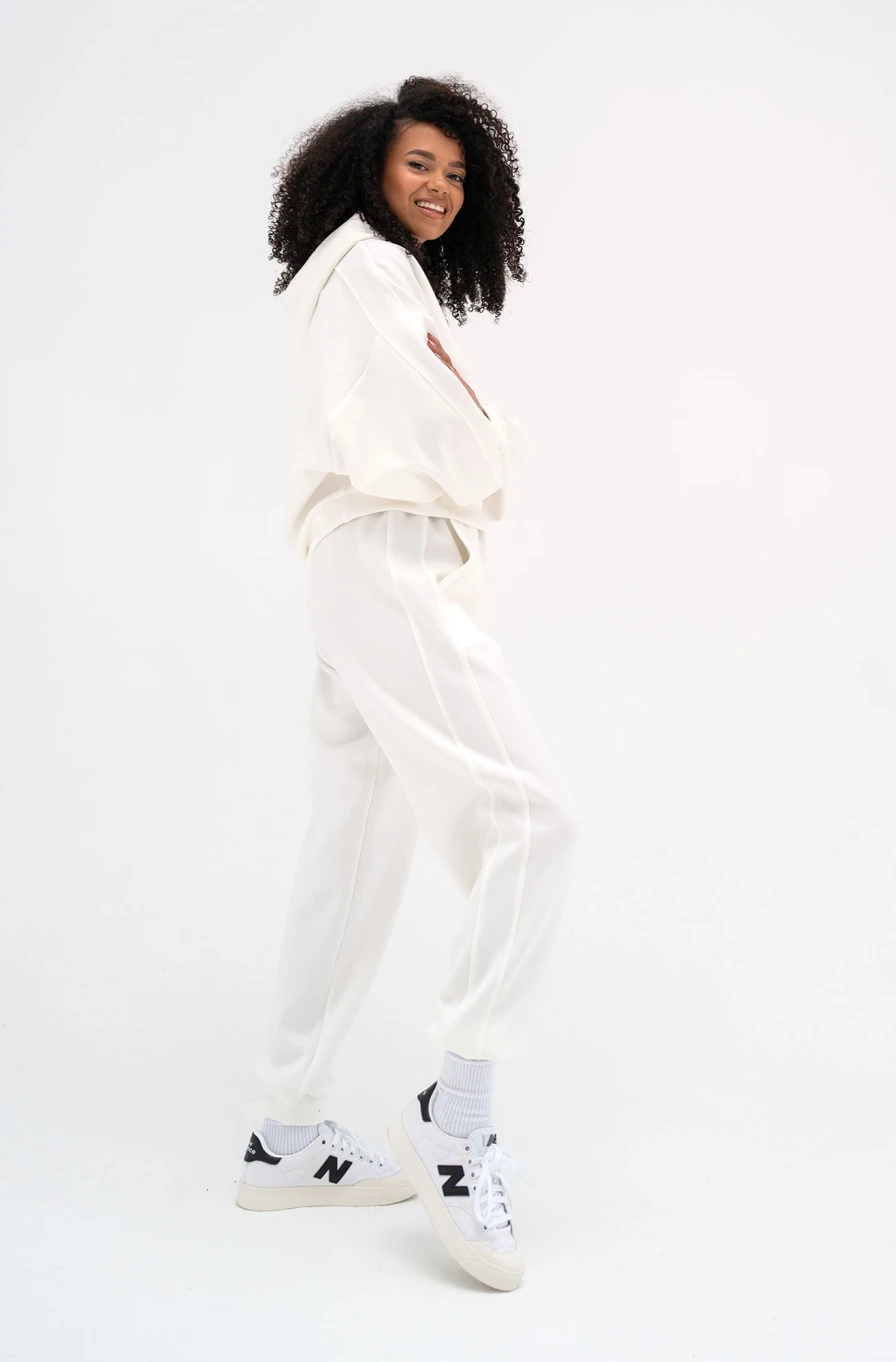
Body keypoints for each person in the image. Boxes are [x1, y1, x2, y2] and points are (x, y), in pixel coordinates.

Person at [235, 75, 579, 1292]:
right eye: (420, 163)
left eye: (457, 174)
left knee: (354, 852)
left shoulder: (353, 274)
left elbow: (436, 425)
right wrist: (496, 441)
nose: (439, 187)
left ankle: (287, 1133)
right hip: (386, 560)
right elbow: (461, 443)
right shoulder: (373, 273)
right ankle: (455, 1112)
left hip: (353, 569)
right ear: (370, 165)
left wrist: (472, 432)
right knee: (533, 821)